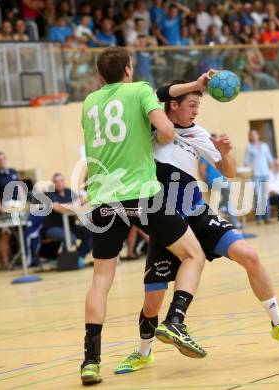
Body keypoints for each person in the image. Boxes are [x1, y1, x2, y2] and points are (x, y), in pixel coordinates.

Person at [113, 79, 279, 374]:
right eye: (191, 105)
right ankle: (143, 352)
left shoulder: (198, 133)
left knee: (249, 255)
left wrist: (225, 152)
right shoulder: (150, 129)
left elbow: (228, 172)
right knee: (151, 303)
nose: (196, 111)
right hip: (167, 222)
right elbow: (160, 93)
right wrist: (195, 82)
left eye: (198, 105)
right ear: (173, 105)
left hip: (197, 213)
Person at [80, 47, 207, 385]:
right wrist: (164, 131)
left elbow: (97, 148)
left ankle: (90, 362)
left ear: (100, 75)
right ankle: (175, 320)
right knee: (193, 254)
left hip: (103, 196)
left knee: (100, 281)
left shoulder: (90, 103)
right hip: (141, 194)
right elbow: (165, 131)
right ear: (129, 69)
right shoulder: (139, 91)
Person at [43, 173, 91, 265]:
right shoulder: (50, 194)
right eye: (56, 182)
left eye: (61, 181)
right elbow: (57, 208)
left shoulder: (69, 192)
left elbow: (80, 204)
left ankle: (78, 258)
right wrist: (73, 205)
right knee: (70, 238)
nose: (59, 183)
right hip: (53, 227)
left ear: (64, 182)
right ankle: (64, 262)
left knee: (88, 234)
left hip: (70, 226)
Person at [0, 152, 24, 269]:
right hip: (5, 209)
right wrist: (1, 210)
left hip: (17, 207)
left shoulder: (13, 172)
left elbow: (19, 188)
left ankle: (25, 259)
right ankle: (5, 262)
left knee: (22, 232)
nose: (2, 161)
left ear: (6, 159)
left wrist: (22, 203)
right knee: (6, 234)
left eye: (3, 159)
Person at [244, 129, 274, 223]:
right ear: (250, 137)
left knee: (265, 196)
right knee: (258, 195)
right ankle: (259, 219)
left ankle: (267, 217)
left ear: (258, 135)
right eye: (251, 135)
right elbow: (246, 161)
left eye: (255, 134)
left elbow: (270, 159)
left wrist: (272, 171)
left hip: (265, 174)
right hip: (256, 175)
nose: (253, 136)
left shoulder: (265, 146)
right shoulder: (249, 147)